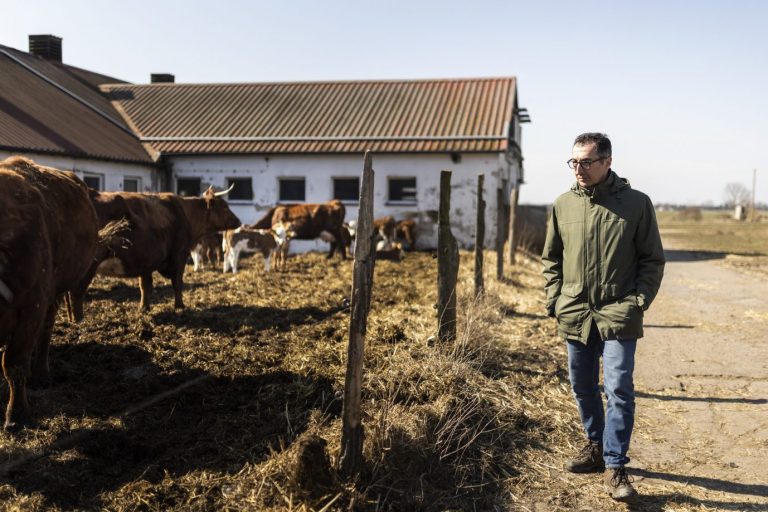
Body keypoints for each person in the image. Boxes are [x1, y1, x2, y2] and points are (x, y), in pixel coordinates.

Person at [541, 133, 665, 502]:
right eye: (574, 162)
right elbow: (552, 259)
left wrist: (637, 302)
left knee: (620, 389)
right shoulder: (563, 205)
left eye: (587, 162)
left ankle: (615, 465)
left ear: (608, 162)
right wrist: (555, 300)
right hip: (575, 312)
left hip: (618, 313)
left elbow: (652, 260)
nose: (579, 169)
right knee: (582, 387)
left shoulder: (637, 204)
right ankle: (594, 447)